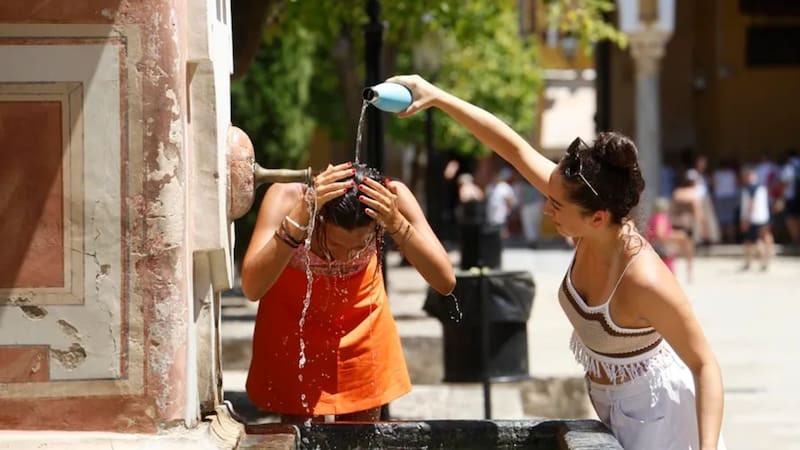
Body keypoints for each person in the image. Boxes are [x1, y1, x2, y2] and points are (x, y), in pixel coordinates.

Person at [386, 74, 725, 450]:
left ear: (598, 218)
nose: (546, 207)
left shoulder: (645, 279)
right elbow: (511, 147)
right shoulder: (587, 210)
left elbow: (705, 366)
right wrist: (437, 97)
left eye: (557, 204)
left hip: (663, 419)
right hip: (614, 408)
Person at [241, 162, 455, 423]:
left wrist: (396, 223)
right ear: (320, 219)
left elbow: (445, 281)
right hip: (294, 335)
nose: (345, 255)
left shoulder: (391, 200)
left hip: (363, 333)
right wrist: (301, 215)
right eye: (334, 244)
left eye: (360, 246)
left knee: (360, 439)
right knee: (300, 436)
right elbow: (252, 287)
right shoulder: (289, 198)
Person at [739, 167, 772, 271]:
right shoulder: (763, 187)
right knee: (751, 241)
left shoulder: (750, 188)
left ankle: (763, 262)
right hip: (764, 217)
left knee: (756, 241)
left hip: (753, 219)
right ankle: (748, 262)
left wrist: (746, 219)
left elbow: (751, 204)